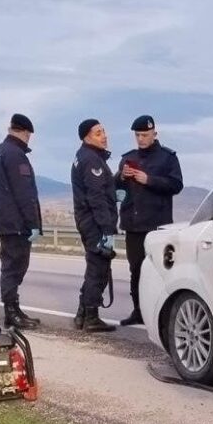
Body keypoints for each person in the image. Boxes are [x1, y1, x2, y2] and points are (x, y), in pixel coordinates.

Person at [115, 115, 183, 326]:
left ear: (154, 134)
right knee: (136, 270)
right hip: (133, 225)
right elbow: (115, 188)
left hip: (157, 226)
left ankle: (162, 315)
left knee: (160, 271)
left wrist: (149, 180)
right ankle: (138, 311)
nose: (141, 139)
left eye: (145, 135)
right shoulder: (128, 158)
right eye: (137, 135)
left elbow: (176, 185)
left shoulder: (167, 158)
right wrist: (121, 176)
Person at [0, 113, 42, 330]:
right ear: (25, 133)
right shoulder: (15, 154)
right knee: (14, 267)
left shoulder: (2, 150)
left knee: (12, 266)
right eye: (29, 136)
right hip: (16, 223)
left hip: (7, 220)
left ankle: (14, 309)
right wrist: (33, 223)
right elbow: (24, 193)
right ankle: (11, 313)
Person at [71, 119, 117, 333]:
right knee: (98, 270)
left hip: (88, 221)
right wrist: (107, 229)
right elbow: (96, 197)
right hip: (95, 223)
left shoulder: (85, 156)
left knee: (94, 268)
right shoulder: (91, 160)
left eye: (103, 131)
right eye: (98, 133)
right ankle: (91, 317)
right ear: (86, 137)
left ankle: (82, 314)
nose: (104, 136)